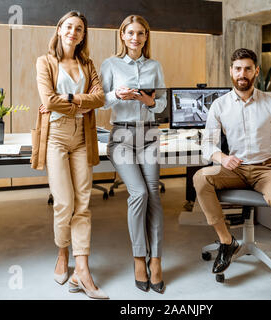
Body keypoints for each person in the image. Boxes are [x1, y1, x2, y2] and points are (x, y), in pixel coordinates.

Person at [193, 48, 271, 300]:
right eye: (237, 69)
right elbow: (208, 145)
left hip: (266, 169)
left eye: (247, 68)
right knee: (200, 177)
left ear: (256, 71)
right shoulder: (219, 105)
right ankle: (226, 241)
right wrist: (223, 158)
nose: (242, 74)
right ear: (231, 72)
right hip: (234, 168)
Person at [33, 11, 108, 299]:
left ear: (83, 34)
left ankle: (83, 270)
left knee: (84, 203)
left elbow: (100, 98)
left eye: (79, 29)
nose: (73, 32)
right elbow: (46, 100)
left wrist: (69, 99)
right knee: (64, 203)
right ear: (59, 29)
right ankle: (62, 254)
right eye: (69, 27)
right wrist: (80, 104)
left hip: (82, 136)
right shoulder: (45, 61)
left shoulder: (87, 64)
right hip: (55, 136)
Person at [100, 15, 167, 294]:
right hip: (122, 136)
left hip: (150, 134)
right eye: (130, 33)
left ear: (146, 37)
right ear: (122, 36)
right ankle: (139, 258)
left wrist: (149, 100)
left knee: (153, 193)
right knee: (138, 193)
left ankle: (156, 260)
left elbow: (161, 104)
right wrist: (119, 95)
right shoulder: (111, 64)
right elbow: (99, 101)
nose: (136, 38)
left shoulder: (155, 66)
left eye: (141, 33)